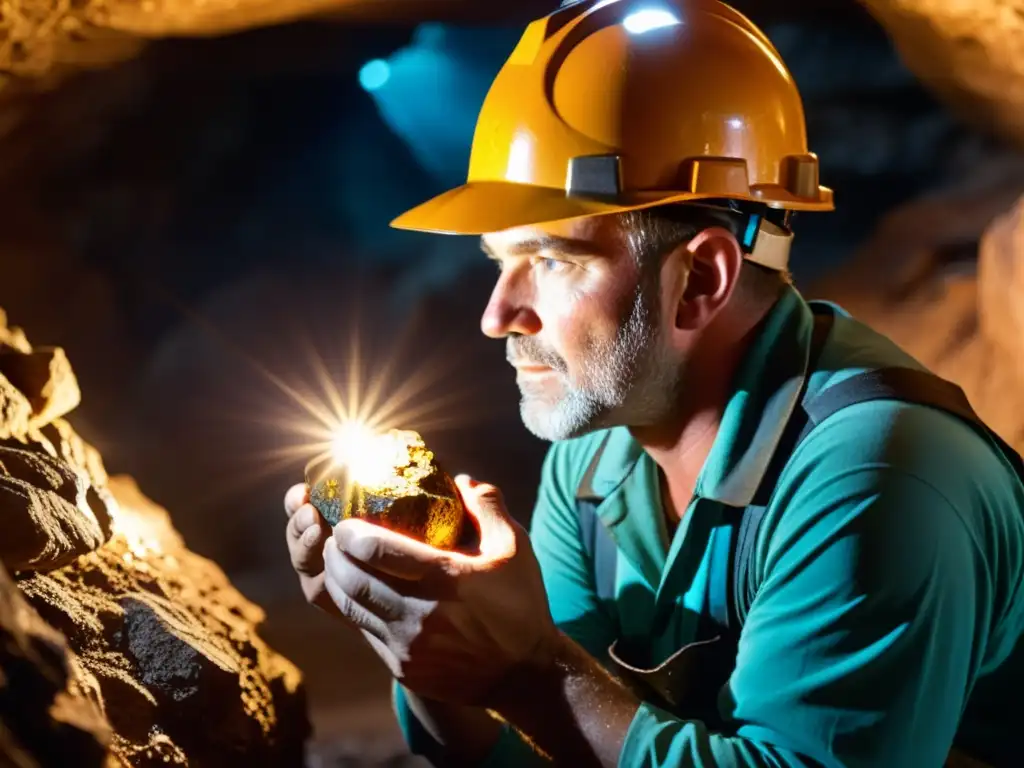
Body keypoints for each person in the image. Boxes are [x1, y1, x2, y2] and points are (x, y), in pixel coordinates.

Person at [284, 0, 1024, 765]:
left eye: (554, 260)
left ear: (701, 277)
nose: (498, 315)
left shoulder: (877, 473)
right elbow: (549, 750)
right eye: (497, 262)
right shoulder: (596, 464)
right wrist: (424, 642)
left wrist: (529, 667)